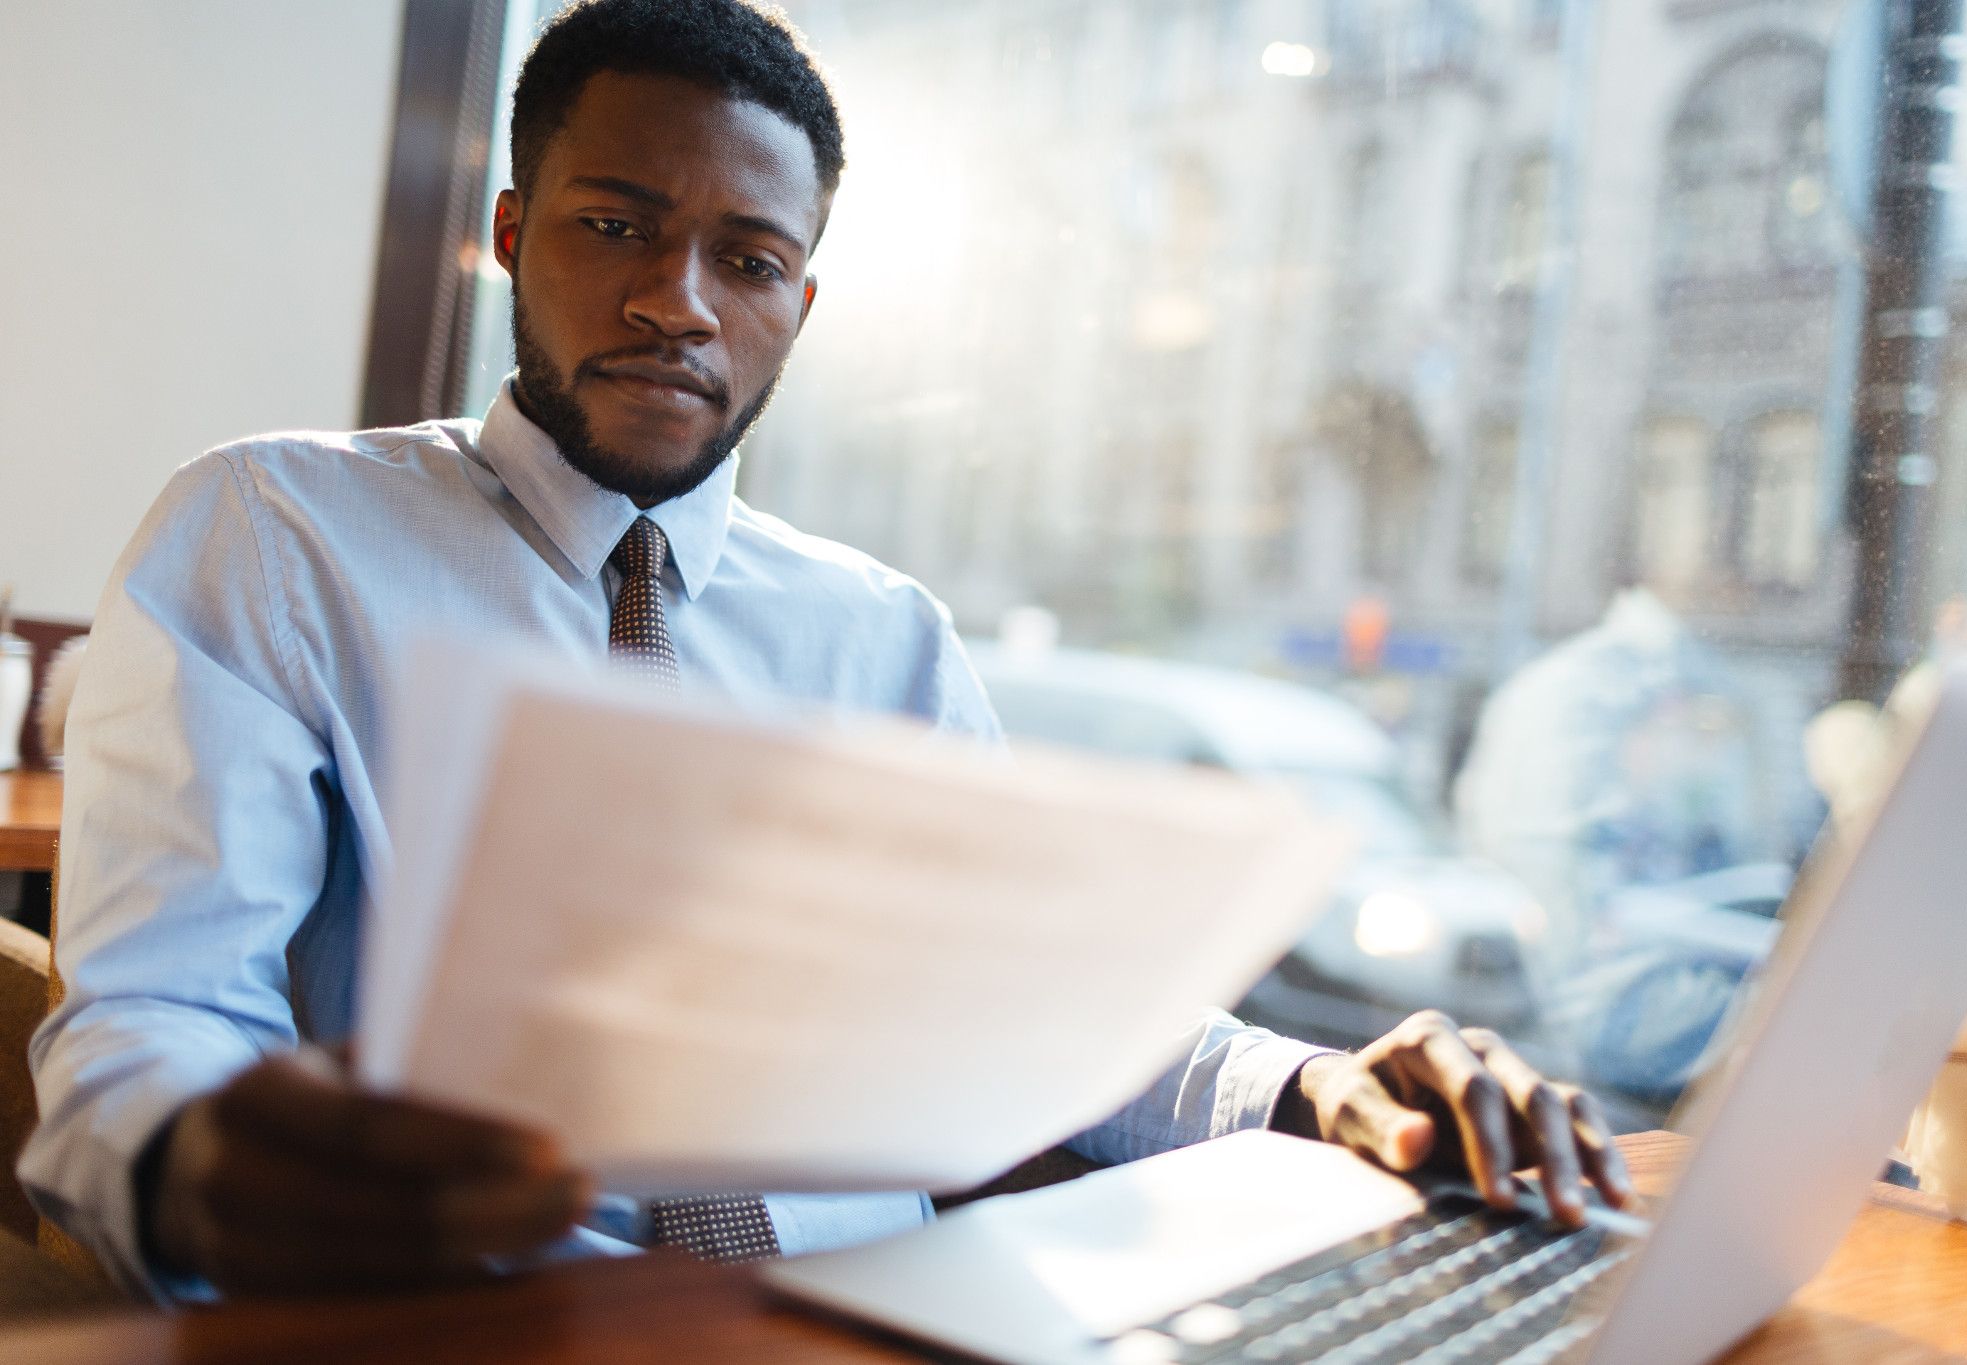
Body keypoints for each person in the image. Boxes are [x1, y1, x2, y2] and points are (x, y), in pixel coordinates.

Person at [20, 0, 1630, 1301]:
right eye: (617, 224)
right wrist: (193, 1162)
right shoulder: (274, 529)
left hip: (876, 1317)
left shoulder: (881, 633)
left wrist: (1312, 1085)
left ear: (803, 295)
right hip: (485, 1320)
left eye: (749, 258)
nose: (681, 301)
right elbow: (150, 1016)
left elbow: (1030, 1005)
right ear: (511, 231)